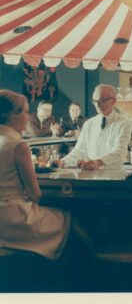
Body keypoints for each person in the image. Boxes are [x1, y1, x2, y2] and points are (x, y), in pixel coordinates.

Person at [0, 89, 70, 259]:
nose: (29, 116)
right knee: (67, 219)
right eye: (25, 111)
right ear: (12, 117)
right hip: (13, 219)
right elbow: (35, 193)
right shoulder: (18, 145)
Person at [59, 84, 131, 170]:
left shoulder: (123, 123)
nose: (97, 105)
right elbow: (79, 151)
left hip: (114, 178)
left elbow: (119, 152)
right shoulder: (89, 123)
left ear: (114, 101)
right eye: (95, 101)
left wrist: (96, 163)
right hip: (93, 178)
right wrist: (62, 162)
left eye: (102, 100)